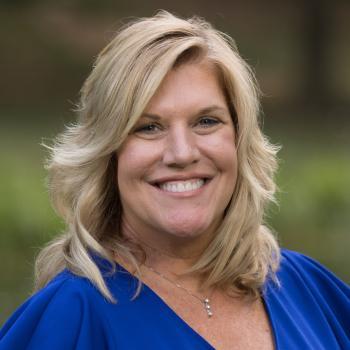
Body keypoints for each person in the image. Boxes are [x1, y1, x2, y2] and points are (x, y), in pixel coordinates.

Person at [0, 11, 349, 350]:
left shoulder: (311, 291)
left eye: (206, 121)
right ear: (109, 154)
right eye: (148, 127)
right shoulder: (71, 316)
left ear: (240, 141)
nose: (181, 153)